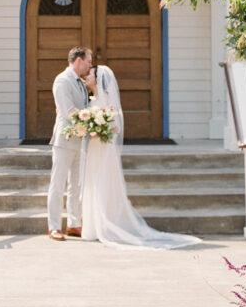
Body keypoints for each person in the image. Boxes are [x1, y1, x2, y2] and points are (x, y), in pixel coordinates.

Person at [81, 64, 200, 249]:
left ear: (98, 77)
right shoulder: (91, 99)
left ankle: (107, 223)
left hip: (104, 148)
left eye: (89, 73)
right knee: (94, 183)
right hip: (94, 149)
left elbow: (115, 127)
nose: (86, 76)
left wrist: (98, 129)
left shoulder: (106, 98)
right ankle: (92, 227)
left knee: (104, 183)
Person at [47, 46, 92, 241]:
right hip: (64, 140)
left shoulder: (80, 83)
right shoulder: (62, 80)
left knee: (76, 185)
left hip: (79, 141)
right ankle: (54, 226)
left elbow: (84, 106)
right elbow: (67, 110)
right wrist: (88, 122)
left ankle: (74, 224)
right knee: (58, 184)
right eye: (89, 61)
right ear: (79, 60)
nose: (90, 65)